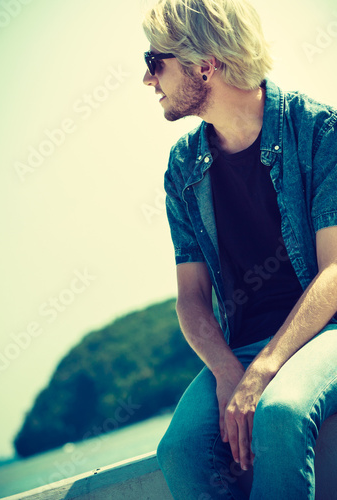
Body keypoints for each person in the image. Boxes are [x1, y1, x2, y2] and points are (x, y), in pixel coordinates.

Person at [142, 0, 337, 498]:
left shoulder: (318, 130)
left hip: (325, 334)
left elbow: (334, 272)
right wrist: (231, 374)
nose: (148, 80)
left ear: (204, 65)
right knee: (180, 450)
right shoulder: (182, 167)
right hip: (242, 350)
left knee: (280, 414)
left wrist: (263, 372)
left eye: (154, 62)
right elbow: (190, 297)